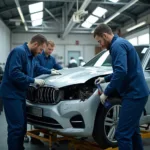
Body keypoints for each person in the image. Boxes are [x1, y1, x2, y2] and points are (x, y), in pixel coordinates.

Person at [94, 24, 149, 150]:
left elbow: (121, 72)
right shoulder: (119, 44)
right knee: (133, 132)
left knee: (122, 134)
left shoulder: (117, 46)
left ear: (105, 35)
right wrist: (105, 78)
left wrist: (106, 92)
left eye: (99, 41)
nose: (100, 45)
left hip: (134, 94)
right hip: (137, 93)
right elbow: (123, 69)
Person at [0, 34, 53, 150]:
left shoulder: (31, 56)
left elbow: (37, 68)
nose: (40, 53)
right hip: (11, 94)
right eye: (40, 49)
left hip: (20, 94)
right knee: (16, 127)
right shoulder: (19, 52)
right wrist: (33, 80)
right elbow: (14, 73)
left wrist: (51, 71)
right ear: (35, 44)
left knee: (22, 126)